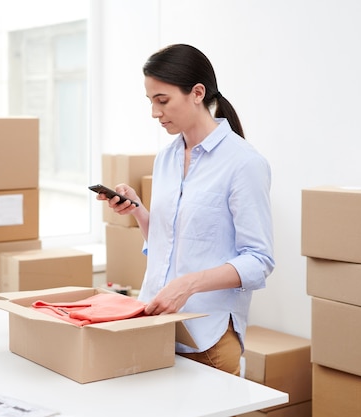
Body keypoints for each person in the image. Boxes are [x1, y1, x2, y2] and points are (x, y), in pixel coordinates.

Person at [96, 44, 274, 375]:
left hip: (207, 339)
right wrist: (138, 211)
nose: (154, 112)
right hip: (156, 327)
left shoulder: (244, 164)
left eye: (162, 100)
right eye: (150, 101)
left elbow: (259, 261)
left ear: (197, 93)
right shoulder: (167, 157)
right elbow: (167, 243)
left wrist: (189, 284)